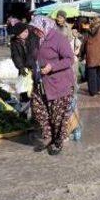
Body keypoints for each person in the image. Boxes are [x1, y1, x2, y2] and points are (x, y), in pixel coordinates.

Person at [29, 15, 75, 155]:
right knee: (38, 107)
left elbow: (70, 59)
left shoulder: (59, 39)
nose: (35, 32)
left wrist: (52, 66)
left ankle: (58, 142)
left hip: (59, 83)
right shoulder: (40, 39)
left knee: (58, 116)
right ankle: (48, 136)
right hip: (43, 83)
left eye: (37, 29)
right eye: (34, 30)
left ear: (45, 26)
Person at [9, 22, 37, 113]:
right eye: (24, 32)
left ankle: (35, 115)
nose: (26, 33)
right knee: (24, 92)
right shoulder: (14, 43)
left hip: (34, 69)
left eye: (26, 31)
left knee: (34, 93)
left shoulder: (32, 39)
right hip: (24, 70)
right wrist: (20, 67)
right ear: (18, 34)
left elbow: (35, 53)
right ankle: (23, 114)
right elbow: (15, 56)